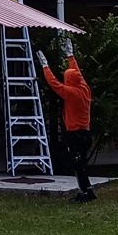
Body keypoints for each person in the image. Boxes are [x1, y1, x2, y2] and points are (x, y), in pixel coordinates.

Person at [36, 39, 96, 202]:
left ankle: (86, 191)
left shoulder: (71, 93)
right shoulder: (84, 88)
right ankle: (86, 189)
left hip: (75, 134)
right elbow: (78, 72)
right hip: (86, 132)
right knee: (81, 162)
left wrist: (45, 66)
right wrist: (70, 55)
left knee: (78, 164)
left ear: (69, 80)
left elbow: (54, 84)